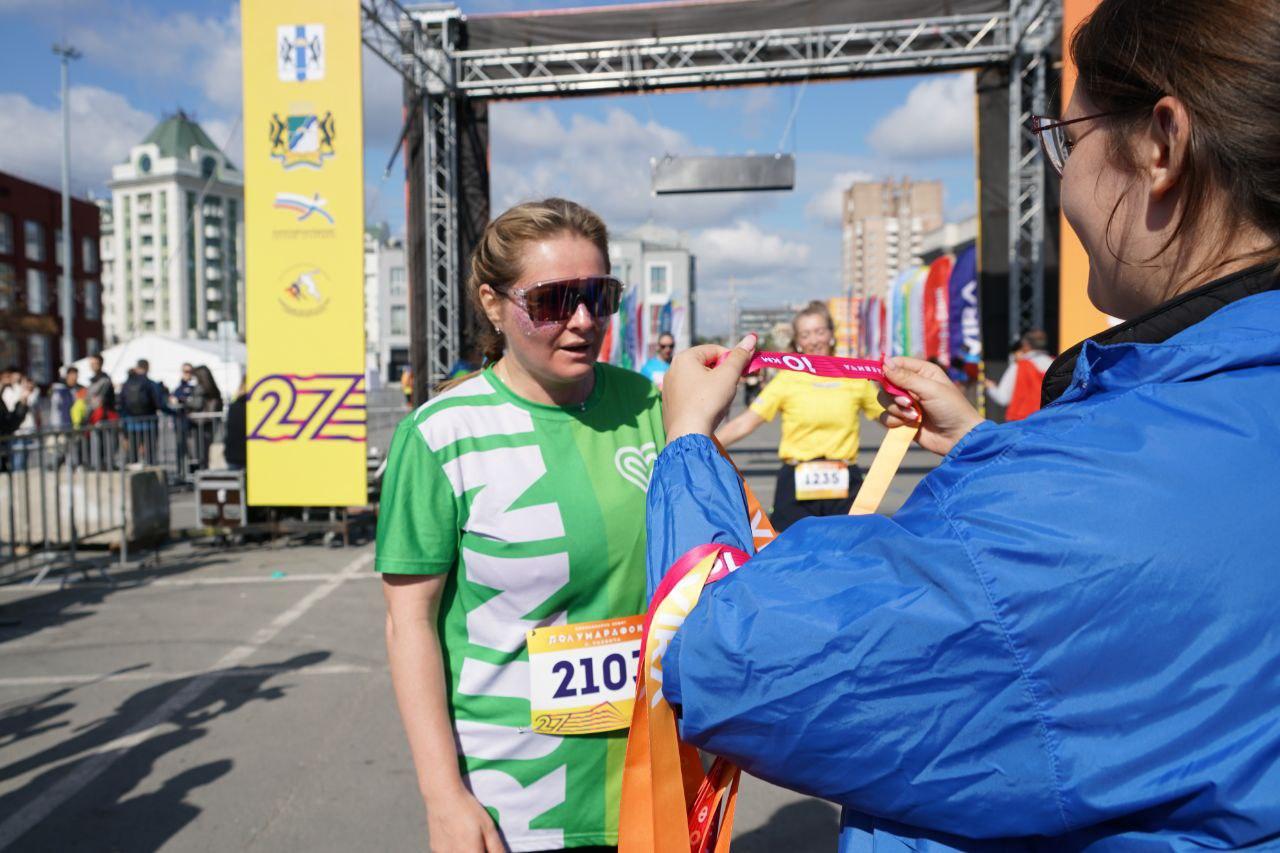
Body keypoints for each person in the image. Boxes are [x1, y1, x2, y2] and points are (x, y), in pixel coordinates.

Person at [647, 0, 1280, 848]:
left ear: (1160, 147)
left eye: (1068, 138)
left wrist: (689, 445)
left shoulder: (1067, 502)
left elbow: (717, 656)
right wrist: (993, 449)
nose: (1064, 180)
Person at [376, 198, 664, 852]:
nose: (583, 320)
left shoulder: (649, 405)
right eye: (552, 301)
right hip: (518, 804)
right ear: (492, 303)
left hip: (655, 787)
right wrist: (443, 795)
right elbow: (408, 622)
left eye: (599, 294)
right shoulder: (441, 435)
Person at [713, 301, 883, 530]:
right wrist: (704, 444)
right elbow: (746, 422)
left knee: (848, 556)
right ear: (798, 342)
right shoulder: (787, 379)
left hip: (844, 482)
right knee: (793, 557)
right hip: (796, 482)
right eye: (806, 335)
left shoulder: (853, 376)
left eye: (819, 332)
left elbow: (887, 418)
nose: (814, 340)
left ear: (831, 334)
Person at [986, 329, 1054, 421]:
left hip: (1022, 424)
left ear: (1025, 345)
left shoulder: (1019, 366)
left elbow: (1003, 398)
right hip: (1049, 422)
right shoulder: (1056, 364)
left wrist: (990, 387)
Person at [120, 358, 171, 464]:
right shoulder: (150, 384)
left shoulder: (127, 384)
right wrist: (174, 413)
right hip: (149, 424)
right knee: (150, 454)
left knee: (133, 454)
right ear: (148, 368)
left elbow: (122, 405)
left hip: (131, 424)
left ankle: (133, 473)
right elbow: (160, 404)